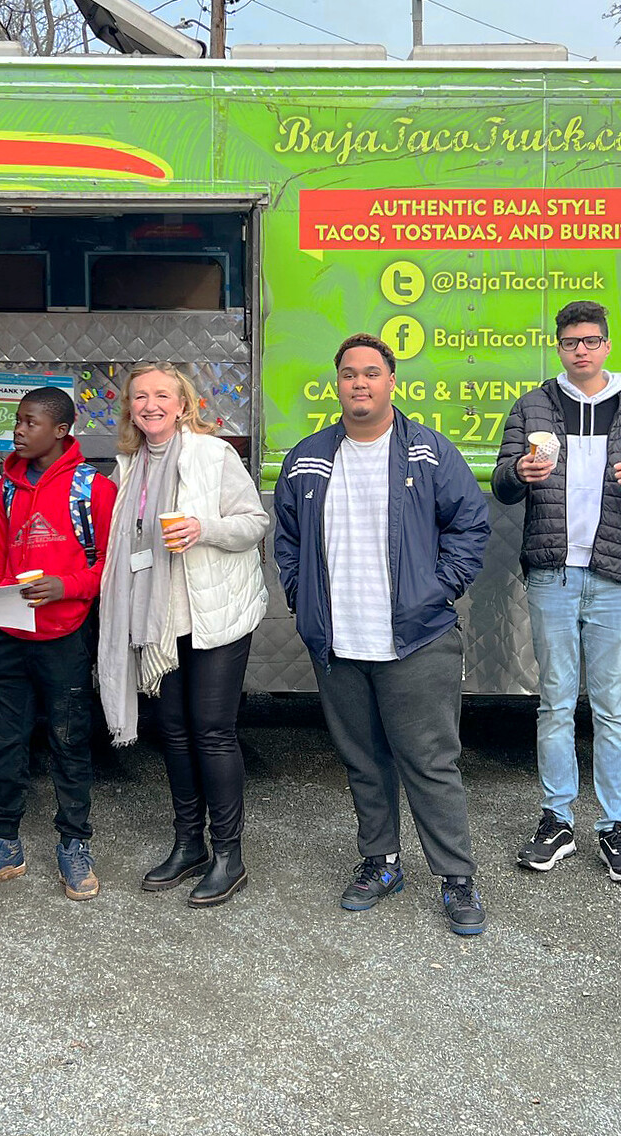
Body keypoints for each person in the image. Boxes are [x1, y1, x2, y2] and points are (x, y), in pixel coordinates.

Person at [275, 334, 492, 936]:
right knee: (364, 762)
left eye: (372, 373)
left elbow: (472, 525)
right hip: (339, 643)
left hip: (416, 640)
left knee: (429, 761)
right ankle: (381, 862)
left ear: (392, 381)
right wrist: (303, 598)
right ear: (336, 383)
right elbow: (287, 540)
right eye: (349, 374)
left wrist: (437, 588)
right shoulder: (309, 457)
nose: (360, 383)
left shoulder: (426, 452)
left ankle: (456, 876)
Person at [491, 301, 621, 883]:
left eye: (591, 341)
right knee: (554, 700)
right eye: (571, 342)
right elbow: (500, 481)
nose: (581, 350)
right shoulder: (534, 404)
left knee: (614, 705)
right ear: (559, 347)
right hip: (552, 573)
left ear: (607, 345)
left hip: (616, 576)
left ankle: (616, 825)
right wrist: (519, 472)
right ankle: (556, 817)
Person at [96, 362, 269, 907]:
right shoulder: (128, 464)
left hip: (213, 613)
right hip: (160, 619)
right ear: (130, 407)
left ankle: (229, 855)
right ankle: (188, 842)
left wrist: (204, 529)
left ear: (182, 403)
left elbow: (254, 523)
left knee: (212, 729)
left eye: (161, 396)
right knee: (172, 729)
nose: (150, 404)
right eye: (139, 396)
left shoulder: (212, 454)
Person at [0, 386, 116, 902]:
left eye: (29, 423)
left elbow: (107, 569)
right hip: (7, 637)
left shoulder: (92, 489)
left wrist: (65, 587)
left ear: (61, 431)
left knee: (69, 741)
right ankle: (4, 843)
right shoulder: (4, 488)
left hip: (64, 637)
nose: (18, 431)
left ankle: (73, 844)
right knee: (2, 740)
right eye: (18, 422)